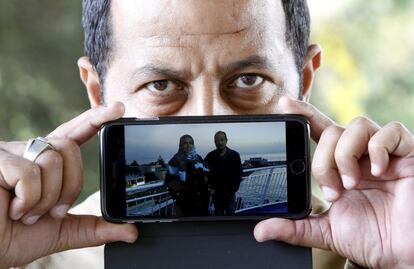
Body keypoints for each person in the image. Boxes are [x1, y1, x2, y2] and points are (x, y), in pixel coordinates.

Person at [0, 0, 413, 268]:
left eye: (250, 79)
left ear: (304, 81)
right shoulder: (33, 257)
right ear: (97, 91)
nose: (210, 118)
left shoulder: (369, 250)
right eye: (161, 86)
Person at [165, 134, 210, 215]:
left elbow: (207, 174)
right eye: (185, 143)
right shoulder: (175, 160)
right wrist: (180, 195)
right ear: (180, 145)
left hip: (202, 200)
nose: (188, 145)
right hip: (186, 203)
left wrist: (207, 187)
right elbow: (169, 182)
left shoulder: (198, 158)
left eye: (190, 143)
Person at [205, 131, 243, 214]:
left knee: (230, 213)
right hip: (216, 193)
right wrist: (209, 187)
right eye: (217, 140)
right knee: (218, 214)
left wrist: (233, 189)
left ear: (226, 140)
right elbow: (204, 172)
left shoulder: (234, 155)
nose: (220, 142)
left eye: (222, 140)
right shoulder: (210, 156)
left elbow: (239, 174)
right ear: (214, 142)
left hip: (229, 193)